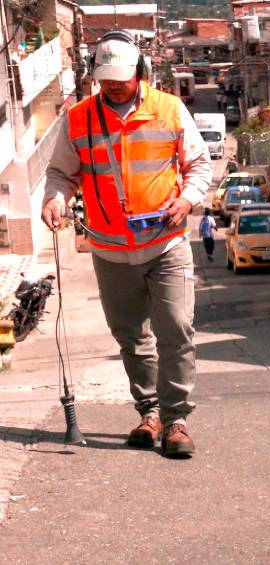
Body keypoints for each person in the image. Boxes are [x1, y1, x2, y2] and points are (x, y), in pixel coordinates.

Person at [40, 30, 212, 457]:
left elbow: (199, 166)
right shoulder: (78, 118)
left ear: (142, 71)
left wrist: (187, 199)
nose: (113, 85)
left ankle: (177, 421)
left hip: (166, 243)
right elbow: (61, 173)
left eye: (121, 76)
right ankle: (149, 413)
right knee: (131, 337)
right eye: (106, 77)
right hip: (109, 250)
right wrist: (54, 200)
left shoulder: (169, 110)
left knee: (176, 331)